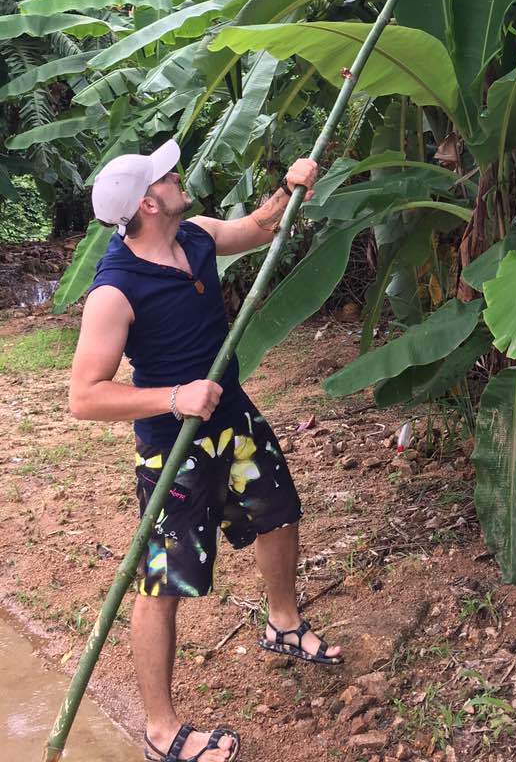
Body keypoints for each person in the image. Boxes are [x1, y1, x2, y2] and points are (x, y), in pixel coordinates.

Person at [69, 139, 343, 762]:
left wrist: (290, 187)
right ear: (148, 201)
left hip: (235, 419)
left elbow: (253, 229)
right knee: (163, 586)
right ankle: (161, 731)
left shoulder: (191, 234)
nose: (177, 175)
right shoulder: (115, 291)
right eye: (166, 176)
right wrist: (172, 398)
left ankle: (283, 623)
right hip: (176, 452)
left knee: (280, 514)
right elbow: (83, 397)